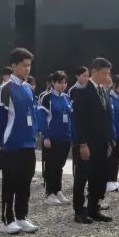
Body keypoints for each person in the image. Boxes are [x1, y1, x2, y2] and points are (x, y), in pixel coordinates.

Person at [0, 48, 39, 234]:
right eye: (24, 65)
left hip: (28, 144)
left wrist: (34, 134)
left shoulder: (28, 88)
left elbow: (32, 114)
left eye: (29, 65)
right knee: (10, 184)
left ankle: (22, 216)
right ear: (14, 65)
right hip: (11, 145)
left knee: (25, 183)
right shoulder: (5, 89)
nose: (27, 69)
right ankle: (7, 220)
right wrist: (0, 143)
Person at [72, 57, 115, 225]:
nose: (107, 76)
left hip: (101, 143)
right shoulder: (82, 91)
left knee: (99, 176)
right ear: (94, 72)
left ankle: (94, 208)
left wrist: (109, 141)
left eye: (109, 73)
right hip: (87, 143)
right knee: (82, 177)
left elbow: (107, 118)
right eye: (104, 73)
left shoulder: (103, 91)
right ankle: (79, 210)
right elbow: (79, 120)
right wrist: (82, 143)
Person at [37, 70, 72, 205]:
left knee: (60, 166)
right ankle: (49, 193)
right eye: (60, 82)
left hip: (65, 138)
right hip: (52, 138)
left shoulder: (66, 98)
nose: (63, 85)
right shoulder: (46, 98)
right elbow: (42, 118)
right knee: (51, 166)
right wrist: (45, 136)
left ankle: (58, 191)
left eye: (65, 82)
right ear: (53, 83)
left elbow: (70, 118)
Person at [105, 74, 119, 194]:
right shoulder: (108, 98)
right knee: (110, 158)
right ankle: (107, 181)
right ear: (113, 85)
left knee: (117, 158)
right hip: (113, 134)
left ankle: (114, 180)